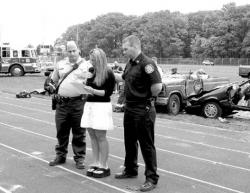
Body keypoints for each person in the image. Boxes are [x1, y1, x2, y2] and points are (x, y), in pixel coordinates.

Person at [114, 35, 162, 192]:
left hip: (143, 109)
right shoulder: (129, 63)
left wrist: (145, 98)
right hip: (130, 108)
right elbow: (123, 79)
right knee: (129, 141)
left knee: (146, 144)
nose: (123, 50)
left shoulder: (147, 63)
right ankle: (130, 169)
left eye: (126, 48)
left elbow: (157, 86)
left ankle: (151, 178)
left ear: (134, 47)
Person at [48, 41, 91, 169]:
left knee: (79, 132)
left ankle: (79, 158)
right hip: (62, 103)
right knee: (61, 131)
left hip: (79, 102)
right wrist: (50, 86)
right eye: (69, 51)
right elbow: (53, 80)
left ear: (79, 50)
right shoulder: (60, 64)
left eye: (74, 51)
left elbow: (93, 82)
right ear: (66, 52)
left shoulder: (87, 65)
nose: (72, 53)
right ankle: (60, 156)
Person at [81, 48, 116, 178]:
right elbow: (87, 86)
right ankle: (95, 162)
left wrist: (92, 90)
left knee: (101, 136)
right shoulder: (91, 71)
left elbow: (107, 93)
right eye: (91, 60)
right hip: (90, 104)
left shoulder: (108, 72)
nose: (92, 63)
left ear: (100, 59)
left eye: (94, 60)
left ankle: (104, 165)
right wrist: (83, 85)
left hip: (101, 106)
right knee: (92, 134)